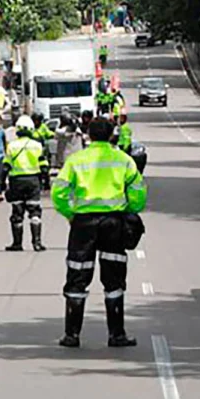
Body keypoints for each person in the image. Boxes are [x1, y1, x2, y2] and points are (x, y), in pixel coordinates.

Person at [52, 118, 147, 348]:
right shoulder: (123, 160)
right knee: (114, 279)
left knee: (77, 277)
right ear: (112, 135)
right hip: (113, 223)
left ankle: (71, 335)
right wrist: (129, 211)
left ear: (88, 135)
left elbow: (59, 193)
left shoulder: (76, 160)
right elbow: (138, 193)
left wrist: (71, 215)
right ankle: (116, 335)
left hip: (83, 225)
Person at [3, 116, 49, 252]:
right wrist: (46, 182)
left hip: (16, 182)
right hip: (33, 181)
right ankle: (37, 243)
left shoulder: (12, 146)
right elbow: (44, 165)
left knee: (17, 213)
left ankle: (17, 244)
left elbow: (6, 166)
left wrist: (0, 185)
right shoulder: (37, 145)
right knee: (35, 212)